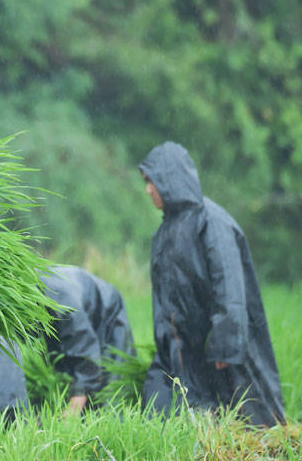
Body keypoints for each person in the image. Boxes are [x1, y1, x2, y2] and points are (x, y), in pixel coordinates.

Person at [139, 142, 285, 426]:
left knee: (250, 420)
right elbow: (166, 302)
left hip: (221, 348)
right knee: (162, 408)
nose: (148, 190)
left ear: (168, 179)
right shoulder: (164, 233)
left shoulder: (211, 222)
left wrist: (225, 345)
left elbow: (229, 288)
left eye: (151, 181)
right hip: (184, 352)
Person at [39, 265, 137, 416]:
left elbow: (84, 354)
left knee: (112, 392)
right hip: (70, 300)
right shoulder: (23, 300)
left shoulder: (64, 306)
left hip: (105, 307)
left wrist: (73, 409)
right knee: (63, 368)